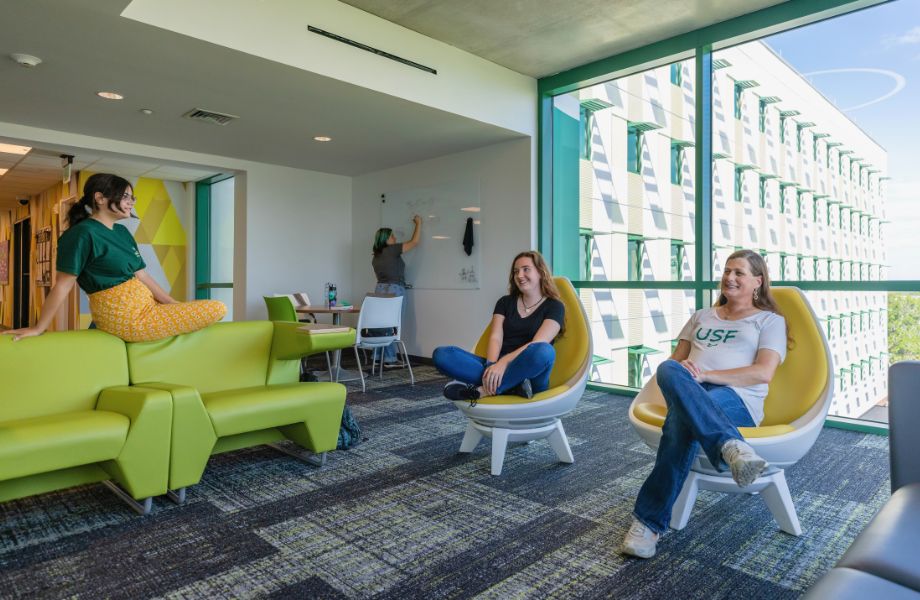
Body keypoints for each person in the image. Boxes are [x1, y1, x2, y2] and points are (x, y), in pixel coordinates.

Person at [621, 249, 790, 559]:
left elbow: (763, 372)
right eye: (727, 271)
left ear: (758, 281)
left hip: (737, 400)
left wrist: (708, 375)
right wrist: (690, 378)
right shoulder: (701, 315)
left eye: (739, 272)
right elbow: (675, 363)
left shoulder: (769, 321)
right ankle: (729, 446)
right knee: (668, 368)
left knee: (679, 424)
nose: (730, 277)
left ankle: (647, 522)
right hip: (691, 392)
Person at [3, 173, 226, 343]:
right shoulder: (82, 234)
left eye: (132, 197)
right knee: (217, 308)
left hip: (146, 309)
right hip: (125, 317)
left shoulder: (122, 232)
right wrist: (39, 327)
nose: (131, 202)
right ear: (99, 198)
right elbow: (63, 285)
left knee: (201, 310)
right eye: (125, 196)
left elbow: (142, 275)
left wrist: (173, 305)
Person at [432, 250, 565, 402]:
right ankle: (514, 387)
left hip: (531, 372)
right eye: (516, 272)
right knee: (442, 355)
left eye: (526, 269)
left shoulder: (555, 306)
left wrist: (503, 363)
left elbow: (537, 343)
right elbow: (496, 337)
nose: (519, 275)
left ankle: (483, 391)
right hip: (497, 365)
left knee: (544, 351)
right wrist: (492, 365)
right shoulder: (505, 302)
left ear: (541, 272)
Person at [371, 214, 422, 367]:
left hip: (379, 289)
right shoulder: (392, 250)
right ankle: (390, 359)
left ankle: (378, 356)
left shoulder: (376, 256)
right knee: (392, 324)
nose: (394, 238)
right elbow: (414, 242)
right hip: (394, 290)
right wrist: (418, 224)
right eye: (391, 236)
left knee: (381, 324)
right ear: (386, 239)